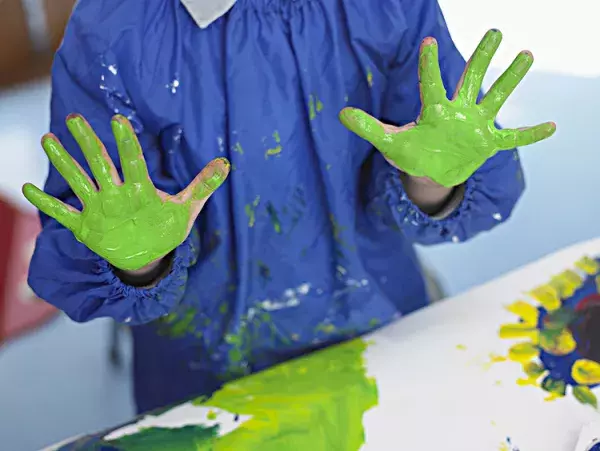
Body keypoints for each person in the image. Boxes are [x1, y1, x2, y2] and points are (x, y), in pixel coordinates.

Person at [24, 0, 555, 414]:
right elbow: (94, 226)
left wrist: (431, 181)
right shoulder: (113, 30)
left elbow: (445, 162)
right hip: (204, 366)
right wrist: (140, 261)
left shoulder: (387, 7)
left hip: (381, 324)